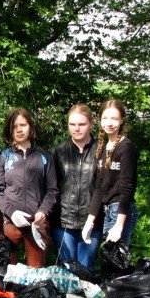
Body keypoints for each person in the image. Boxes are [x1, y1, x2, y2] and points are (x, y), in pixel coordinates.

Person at [0, 107, 58, 267]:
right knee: (4, 273)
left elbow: (52, 190)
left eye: (22, 125)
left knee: (35, 274)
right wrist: (11, 213)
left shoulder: (44, 157)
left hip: (36, 224)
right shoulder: (3, 156)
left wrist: (43, 211)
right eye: (14, 126)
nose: (19, 130)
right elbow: (0, 192)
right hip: (10, 222)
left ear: (30, 126)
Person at [50, 104, 102, 272]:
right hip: (63, 220)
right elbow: (51, 187)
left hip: (93, 220)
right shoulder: (58, 152)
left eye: (81, 124)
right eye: (72, 124)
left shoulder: (101, 151)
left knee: (86, 269)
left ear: (91, 125)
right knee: (66, 270)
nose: (76, 128)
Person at [82, 99, 139, 246]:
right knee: (108, 258)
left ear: (122, 120)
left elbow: (126, 188)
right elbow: (99, 188)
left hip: (121, 211)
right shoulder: (101, 147)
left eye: (114, 118)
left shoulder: (126, 148)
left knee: (115, 260)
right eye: (105, 118)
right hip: (107, 210)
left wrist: (119, 225)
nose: (109, 123)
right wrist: (90, 221)